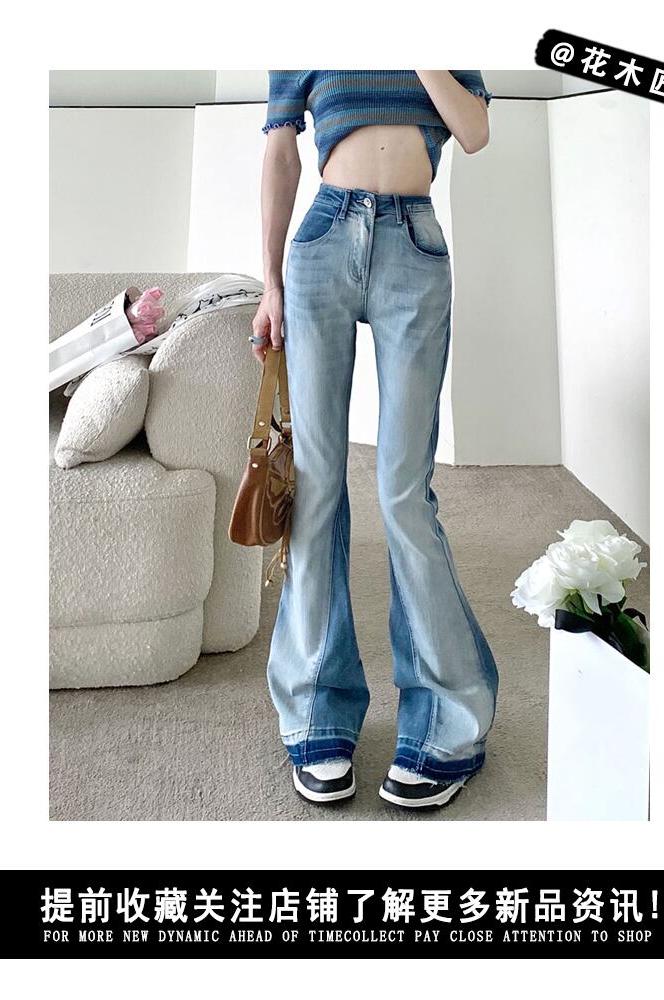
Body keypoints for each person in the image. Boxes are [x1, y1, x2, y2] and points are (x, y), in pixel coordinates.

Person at [250, 70, 499, 811]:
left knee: (402, 490)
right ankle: (317, 712)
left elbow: (475, 132)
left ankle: (446, 721)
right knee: (317, 484)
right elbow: (281, 151)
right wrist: (270, 283)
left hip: (413, 243)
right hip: (323, 240)